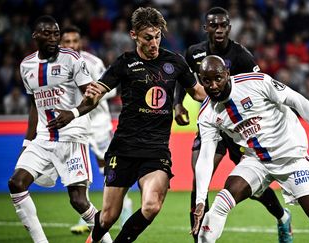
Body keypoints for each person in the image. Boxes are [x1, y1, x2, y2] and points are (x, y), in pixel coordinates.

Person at [47, 7, 206, 243]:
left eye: (157, 36)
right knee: (108, 217)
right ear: (134, 35)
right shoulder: (124, 63)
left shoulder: (175, 62)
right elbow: (96, 94)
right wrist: (73, 112)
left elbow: (200, 93)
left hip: (156, 149)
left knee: (151, 206)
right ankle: (94, 238)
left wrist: (227, 88)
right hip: (123, 148)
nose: (154, 42)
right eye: (148, 37)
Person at [192, 55, 309, 243]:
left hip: (291, 157)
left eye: (218, 78)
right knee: (220, 204)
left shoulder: (256, 82)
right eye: (206, 81)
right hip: (256, 160)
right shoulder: (207, 114)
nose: (213, 86)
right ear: (201, 80)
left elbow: (299, 101)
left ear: (227, 74)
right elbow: (206, 157)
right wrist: (200, 200)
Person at [173, 7, 292, 243]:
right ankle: (199, 239)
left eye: (223, 25)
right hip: (210, 125)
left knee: (253, 187)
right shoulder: (194, 53)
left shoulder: (242, 57)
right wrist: (178, 104)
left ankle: (282, 216)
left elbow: (261, 89)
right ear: (205, 28)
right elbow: (182, 78)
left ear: (229, 27)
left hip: (239, 131)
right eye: (213, 25)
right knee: (199, 180)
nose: (218, 29)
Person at [7, 15, 112, 243]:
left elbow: (92, 97)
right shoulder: (27, 66)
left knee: (78, 201)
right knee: (16, 183)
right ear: (35, 36)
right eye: (48, 34)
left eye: (56, 34)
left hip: (72, 136)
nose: (53, 38)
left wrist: (72, 113)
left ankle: (107, 241)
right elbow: (35, 105)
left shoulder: (73, 59)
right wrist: (27, 143)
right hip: (43, 139)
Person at [60, 25, 133, 234]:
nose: (72, 45)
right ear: (61, 44)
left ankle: (124, 206)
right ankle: (87, 216)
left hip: (98, 123)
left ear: (81, 42)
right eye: (67, 42)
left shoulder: (92, 62)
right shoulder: (56, 65)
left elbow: (110, 89)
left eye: (75, 41)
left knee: (107, 168)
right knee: (79, 172)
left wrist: (92, 91)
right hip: (75, 124)